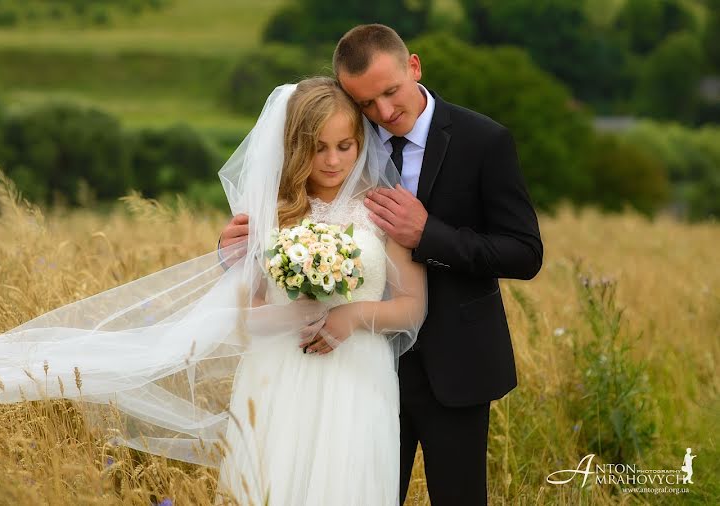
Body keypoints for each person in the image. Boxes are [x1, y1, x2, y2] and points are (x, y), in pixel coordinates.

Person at [0, 77, 426, 505]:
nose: (331, 161)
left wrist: (349, 316)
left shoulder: (382, 208)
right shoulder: (269, 217)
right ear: (296, 147)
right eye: (318, 147)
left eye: (344, 147)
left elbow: (413, 306)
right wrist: (299, 309)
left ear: (360, 144)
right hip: (283, 379)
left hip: (357, 380)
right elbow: (249, 320)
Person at [220, 24, 543, 505]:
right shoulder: (344, 130)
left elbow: (524, 252)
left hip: (452, 362)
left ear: (413, 66)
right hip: (345, 370)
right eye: (367, 104)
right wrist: (237, 251)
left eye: (391, 93)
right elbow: (282, 219)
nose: (384, 113)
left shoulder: (484, 141)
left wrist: (429, 235)